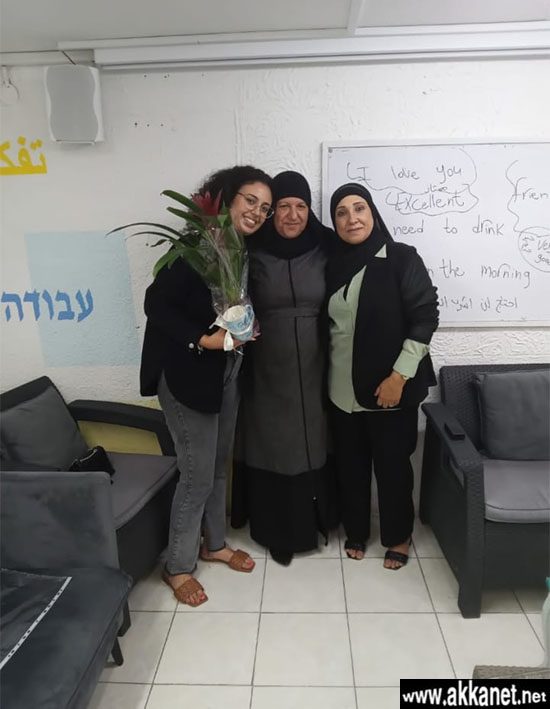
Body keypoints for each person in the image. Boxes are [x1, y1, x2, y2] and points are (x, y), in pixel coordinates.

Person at [140, 165, 273, 605]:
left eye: (265, 208)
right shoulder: (194, 248)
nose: (257, 212)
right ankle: (177, 567)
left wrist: (244, 327)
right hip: (186, 374)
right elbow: (156, 304)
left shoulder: (239, 250)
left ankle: (214, 544)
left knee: (217, 465)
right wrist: (201, 338)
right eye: (250, 201)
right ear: (227, 198)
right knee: (196, 475)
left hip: (226, 370)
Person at [326, 182, 438, 569]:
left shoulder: (401, 257)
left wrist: (399, 377)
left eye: (359, 208)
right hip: (341, 392)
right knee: (350, 467)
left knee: (392, 469)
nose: (351, 218)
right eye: (341, 212)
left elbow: (425, 317)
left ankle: (398, 536)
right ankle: (356, 530)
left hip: (390, 389)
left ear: (372, 213)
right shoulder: (332, 265)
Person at [231, 170, 336, 565]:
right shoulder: (250, 251)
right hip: (266, 367)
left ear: (310, 210)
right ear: (272, 212)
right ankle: (278, 530)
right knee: (274, 444)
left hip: (317, 363)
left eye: (301, 206)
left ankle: (321, 519)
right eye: (284, 207)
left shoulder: (326, 247)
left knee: (317, 441)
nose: (293, 215)